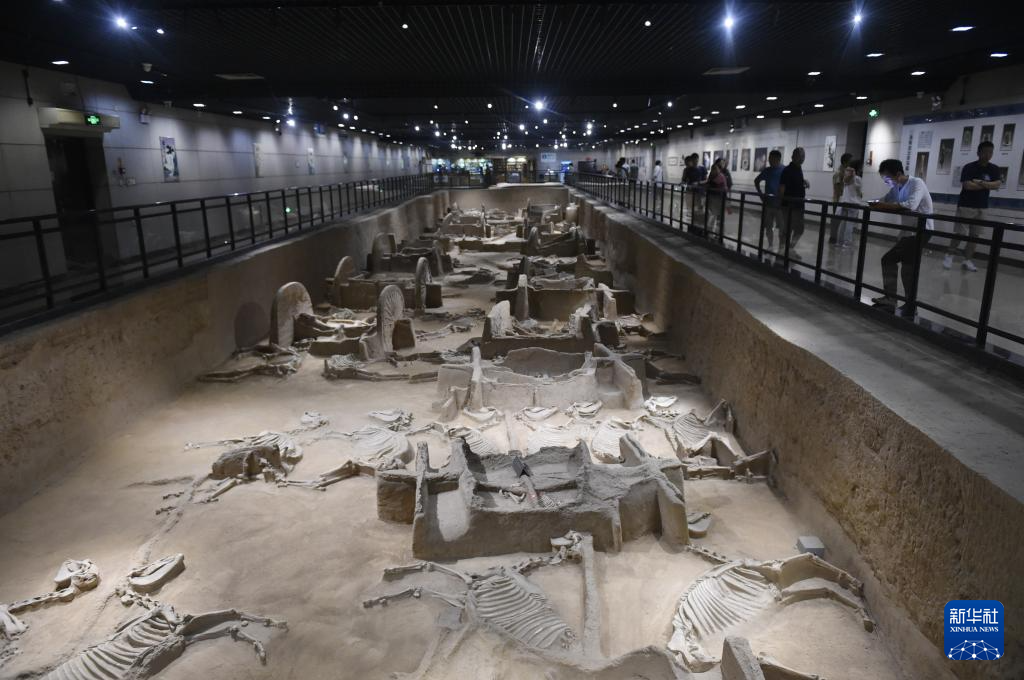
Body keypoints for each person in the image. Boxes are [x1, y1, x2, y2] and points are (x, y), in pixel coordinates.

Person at [872, 159, 935, 316]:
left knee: (891, 261)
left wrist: (883, 205)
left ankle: (896, 300)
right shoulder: (897, 187)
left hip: (921, 231)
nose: (887, 182)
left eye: (888, 178)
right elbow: (885, 199)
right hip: (909, 232)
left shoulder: (917, 183)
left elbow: (911, 205)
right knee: (907, 267)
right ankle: (906, 303)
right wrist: (873, 202)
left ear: (898, 174)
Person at [945, 140, 1000, 272]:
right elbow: (967, 186)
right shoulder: (969, 167)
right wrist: (988, 185)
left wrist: (980, 182)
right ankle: (949, 255)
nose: (988, 155)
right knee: (960, 233)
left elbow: (997, 184)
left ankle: (967, 260)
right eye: (985, 152)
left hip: (982, 206)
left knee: (975, 235)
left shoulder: (994, 169)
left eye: (990, 152)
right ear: (978, 153)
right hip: (966, 205)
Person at [778, 147, 809, 259]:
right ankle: (783, 251)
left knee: (799, 229)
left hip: (798, 205)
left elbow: (794, 182)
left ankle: (789, 249)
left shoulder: (798, 168)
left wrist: (804, 181)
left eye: (803, 156)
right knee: (787, 230)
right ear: (793, 157)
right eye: (800, 156)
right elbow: (782, 188)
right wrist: (781, 204)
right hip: (789, 206)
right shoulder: (787, 170)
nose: (802, 158)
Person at [754, 149, 785, 248]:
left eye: (772, 159)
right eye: (769, 159)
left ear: (778, 159)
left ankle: (781, 247)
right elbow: (756, 181)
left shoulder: (784, 170)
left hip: (780, 205)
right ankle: (770, 245)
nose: (770, 161)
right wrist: (761, 194)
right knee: (768, 226)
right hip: (768, 204)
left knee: (782, 227)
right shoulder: (767, 170)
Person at [834, 159, 864, 247]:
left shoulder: (846, 177)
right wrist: (861, 194)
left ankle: (839, 241)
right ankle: (847, 242)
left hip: (845, 202)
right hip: (853, 203)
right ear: (858, 167)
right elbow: (858, 192)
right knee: (850, 223)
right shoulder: (857, 178)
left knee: (843, 222)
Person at [829, 153, 854, 244]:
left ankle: (839, 238)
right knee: (836, 221)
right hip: (838, 201)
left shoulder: (846, 173)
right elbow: (837, 189)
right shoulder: (838, 173)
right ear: (845, 162)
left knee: (842, 221)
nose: (851, 164)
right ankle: (833, 238)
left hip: (843, 200)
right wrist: (841, 199)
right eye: (850, 161)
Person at [705, 162, 727, 235]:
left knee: (716, 216)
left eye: (715, 169)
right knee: (714, 215)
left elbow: (712, 184)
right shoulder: (712, 176)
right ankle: (712, 231)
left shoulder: (720, 176)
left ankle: (716, 232)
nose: (714, 171)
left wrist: (706, 184)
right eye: (713, 169)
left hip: (719, 198)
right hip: (713, 198)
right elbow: (709, 183)